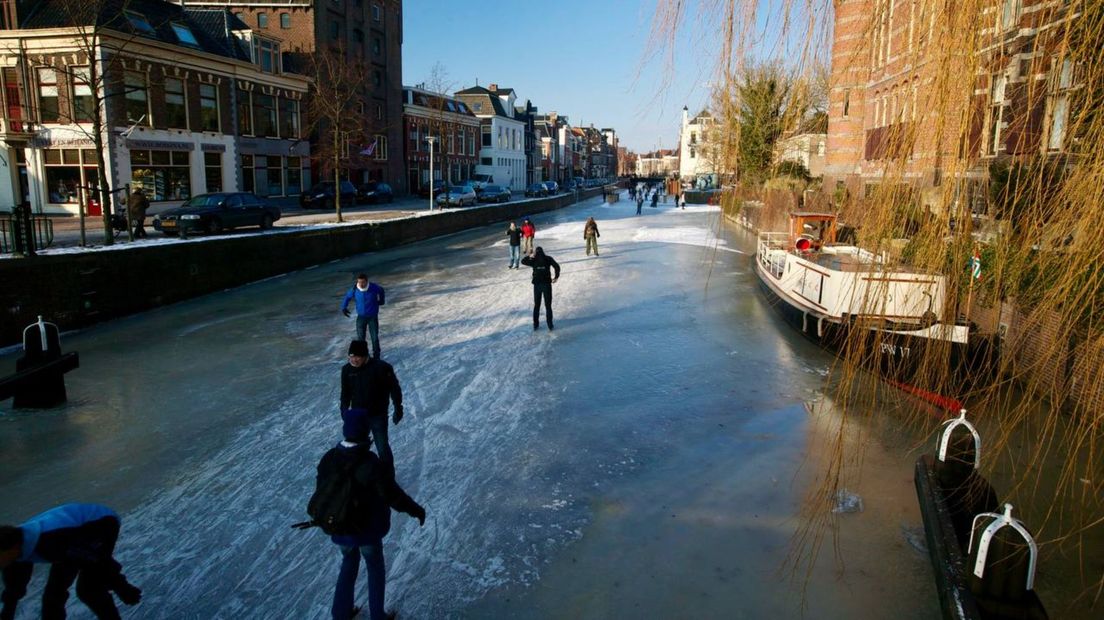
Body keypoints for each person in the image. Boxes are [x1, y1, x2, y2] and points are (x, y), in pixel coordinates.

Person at [321, 411, 426, 620]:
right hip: (367, 530)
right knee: (374, 566)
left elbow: (322, 494)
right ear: (365, 432)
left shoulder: (329, 459)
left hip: (340, 528)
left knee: (348, 563)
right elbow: (392, 496)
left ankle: (340, 614)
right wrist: (416, 510)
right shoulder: (371, 463)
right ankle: (377, 615)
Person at [0, 503, 142, 620]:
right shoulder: (16, 553)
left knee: (88, 590)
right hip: (69, 538)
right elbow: (14, 590)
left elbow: (97, 560)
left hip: (101, 523)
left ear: (12, 549)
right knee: (52, 597)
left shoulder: (52, 541)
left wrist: (122, 588)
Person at [341, 339, 403, 469]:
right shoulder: (347, 370)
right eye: (351, 357)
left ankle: (387, 479)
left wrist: (398, 408)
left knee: (382, 447)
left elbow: (394, 389)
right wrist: (344, 410)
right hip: (358, 416)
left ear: (365, 356)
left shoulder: (381, 368)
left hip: (377, 415)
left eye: (357, 357)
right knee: (355, 448)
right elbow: (345, 393)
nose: (353, 360)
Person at [341, 274, 386, 359]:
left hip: (372, 317)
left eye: (363, 282)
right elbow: (347, 296)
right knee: (361, 339)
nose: (361, 284)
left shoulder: (373, 287)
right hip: (361, 318)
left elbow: (381, 290)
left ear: (367, 281)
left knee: (375, 338)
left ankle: (376, 356)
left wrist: (381, 300)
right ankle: (364, 356)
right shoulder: (355, 289)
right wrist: (344, 307)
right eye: (359, 282)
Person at [521, 246, 560, 331]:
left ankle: (536, 324)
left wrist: (530, 256)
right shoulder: (548, 258)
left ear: (536, 252)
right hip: (547, 285)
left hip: (537, 285)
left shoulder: (533, 260)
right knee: (548, 305)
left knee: (537, 306)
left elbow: (523, 261)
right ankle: (550, 325)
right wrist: (556, 277)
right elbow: (557, 266)